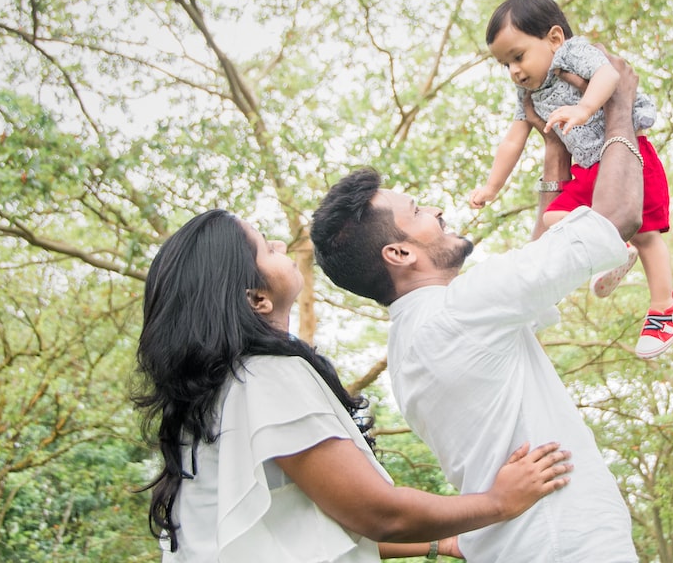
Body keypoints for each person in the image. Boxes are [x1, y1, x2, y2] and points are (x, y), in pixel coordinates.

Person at [309, 50, 647, 562]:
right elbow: (617, 217)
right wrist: (619, 103)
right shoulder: (463, 310)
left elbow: (537, 263)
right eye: (418, 211)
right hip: (566, 547)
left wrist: (554, 151)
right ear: (399, 252)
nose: (438, 209)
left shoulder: (411, 345)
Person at [133, 209, 573, 562]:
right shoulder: (265, 376)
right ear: (256, 298)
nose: (281, 244)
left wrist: (444, 542)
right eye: (266, 247)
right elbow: (378, 513)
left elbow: (326, 525)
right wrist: (498, 502)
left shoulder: (218, 399)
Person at [469, 0, 673, 358]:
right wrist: (492, 186)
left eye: (518, 57)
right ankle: (618, 249)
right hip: (587, 170)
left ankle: (665, 308)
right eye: (506, 65)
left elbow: (609, 75)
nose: (515, 71)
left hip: (629, 160)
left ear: (553, 38)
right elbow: (512, 141)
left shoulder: (573, 54)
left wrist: (584, 108)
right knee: (554, 217)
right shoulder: (530, 93)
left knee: (648, 234)